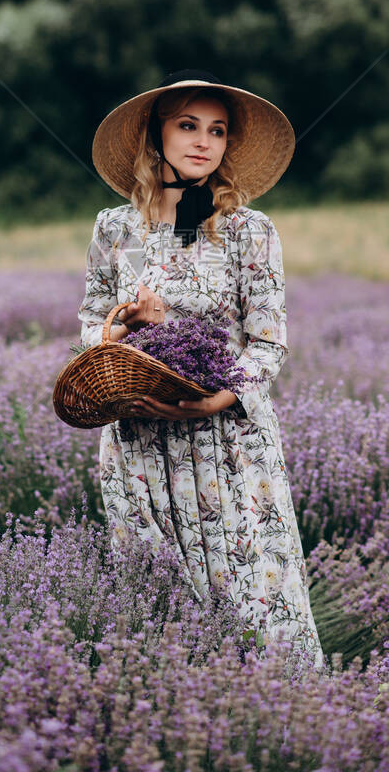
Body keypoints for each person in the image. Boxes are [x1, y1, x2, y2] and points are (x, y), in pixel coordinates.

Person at [78, 69, 326, 672]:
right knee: (158, 595)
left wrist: (217, 400)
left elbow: (269, 345)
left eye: (216, 131)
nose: (202, 141)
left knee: (250, 596)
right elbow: (89, 327)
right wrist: (125, 328)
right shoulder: (114, 229)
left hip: (228, 442)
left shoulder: (249, 230)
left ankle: (281, 722)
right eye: (187, 125)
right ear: (155, 134)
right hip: (140, 440)